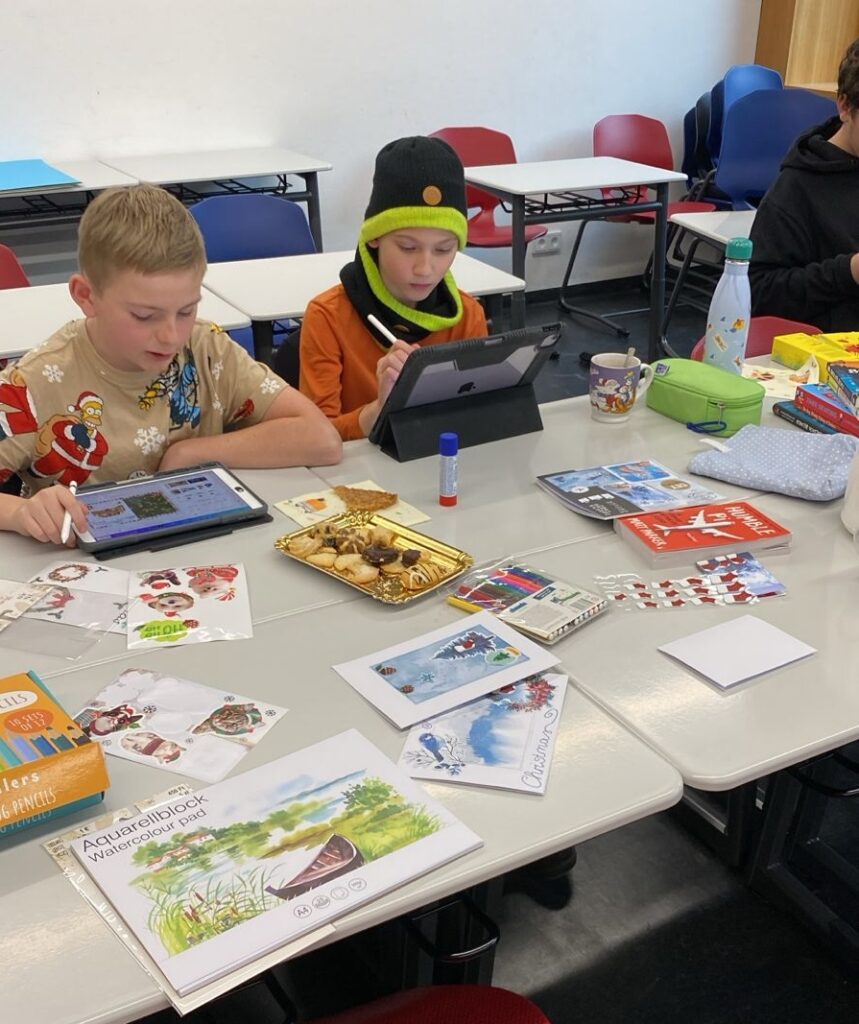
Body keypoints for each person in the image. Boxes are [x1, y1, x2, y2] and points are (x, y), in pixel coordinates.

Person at [0, 184, 341, 545]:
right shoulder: (34, 383)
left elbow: (322, 439)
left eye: (186, 310)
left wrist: (192, 453)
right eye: (144, 316)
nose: (171, 336)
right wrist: (20, 512)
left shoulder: (207, 348)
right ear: (86, 296)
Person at [298, 136, 489, 441]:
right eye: (407, 247)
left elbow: (478, 416)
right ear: (374, 238)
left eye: (443, 249)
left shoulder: (468, 316)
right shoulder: (328, 316)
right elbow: (316, 438)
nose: (425, 268)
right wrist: (379, 409)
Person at [749, 38, 859, 332]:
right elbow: (759, 294)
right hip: (830, 348)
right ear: (845, 106)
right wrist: (848, 272)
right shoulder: (796, 188)